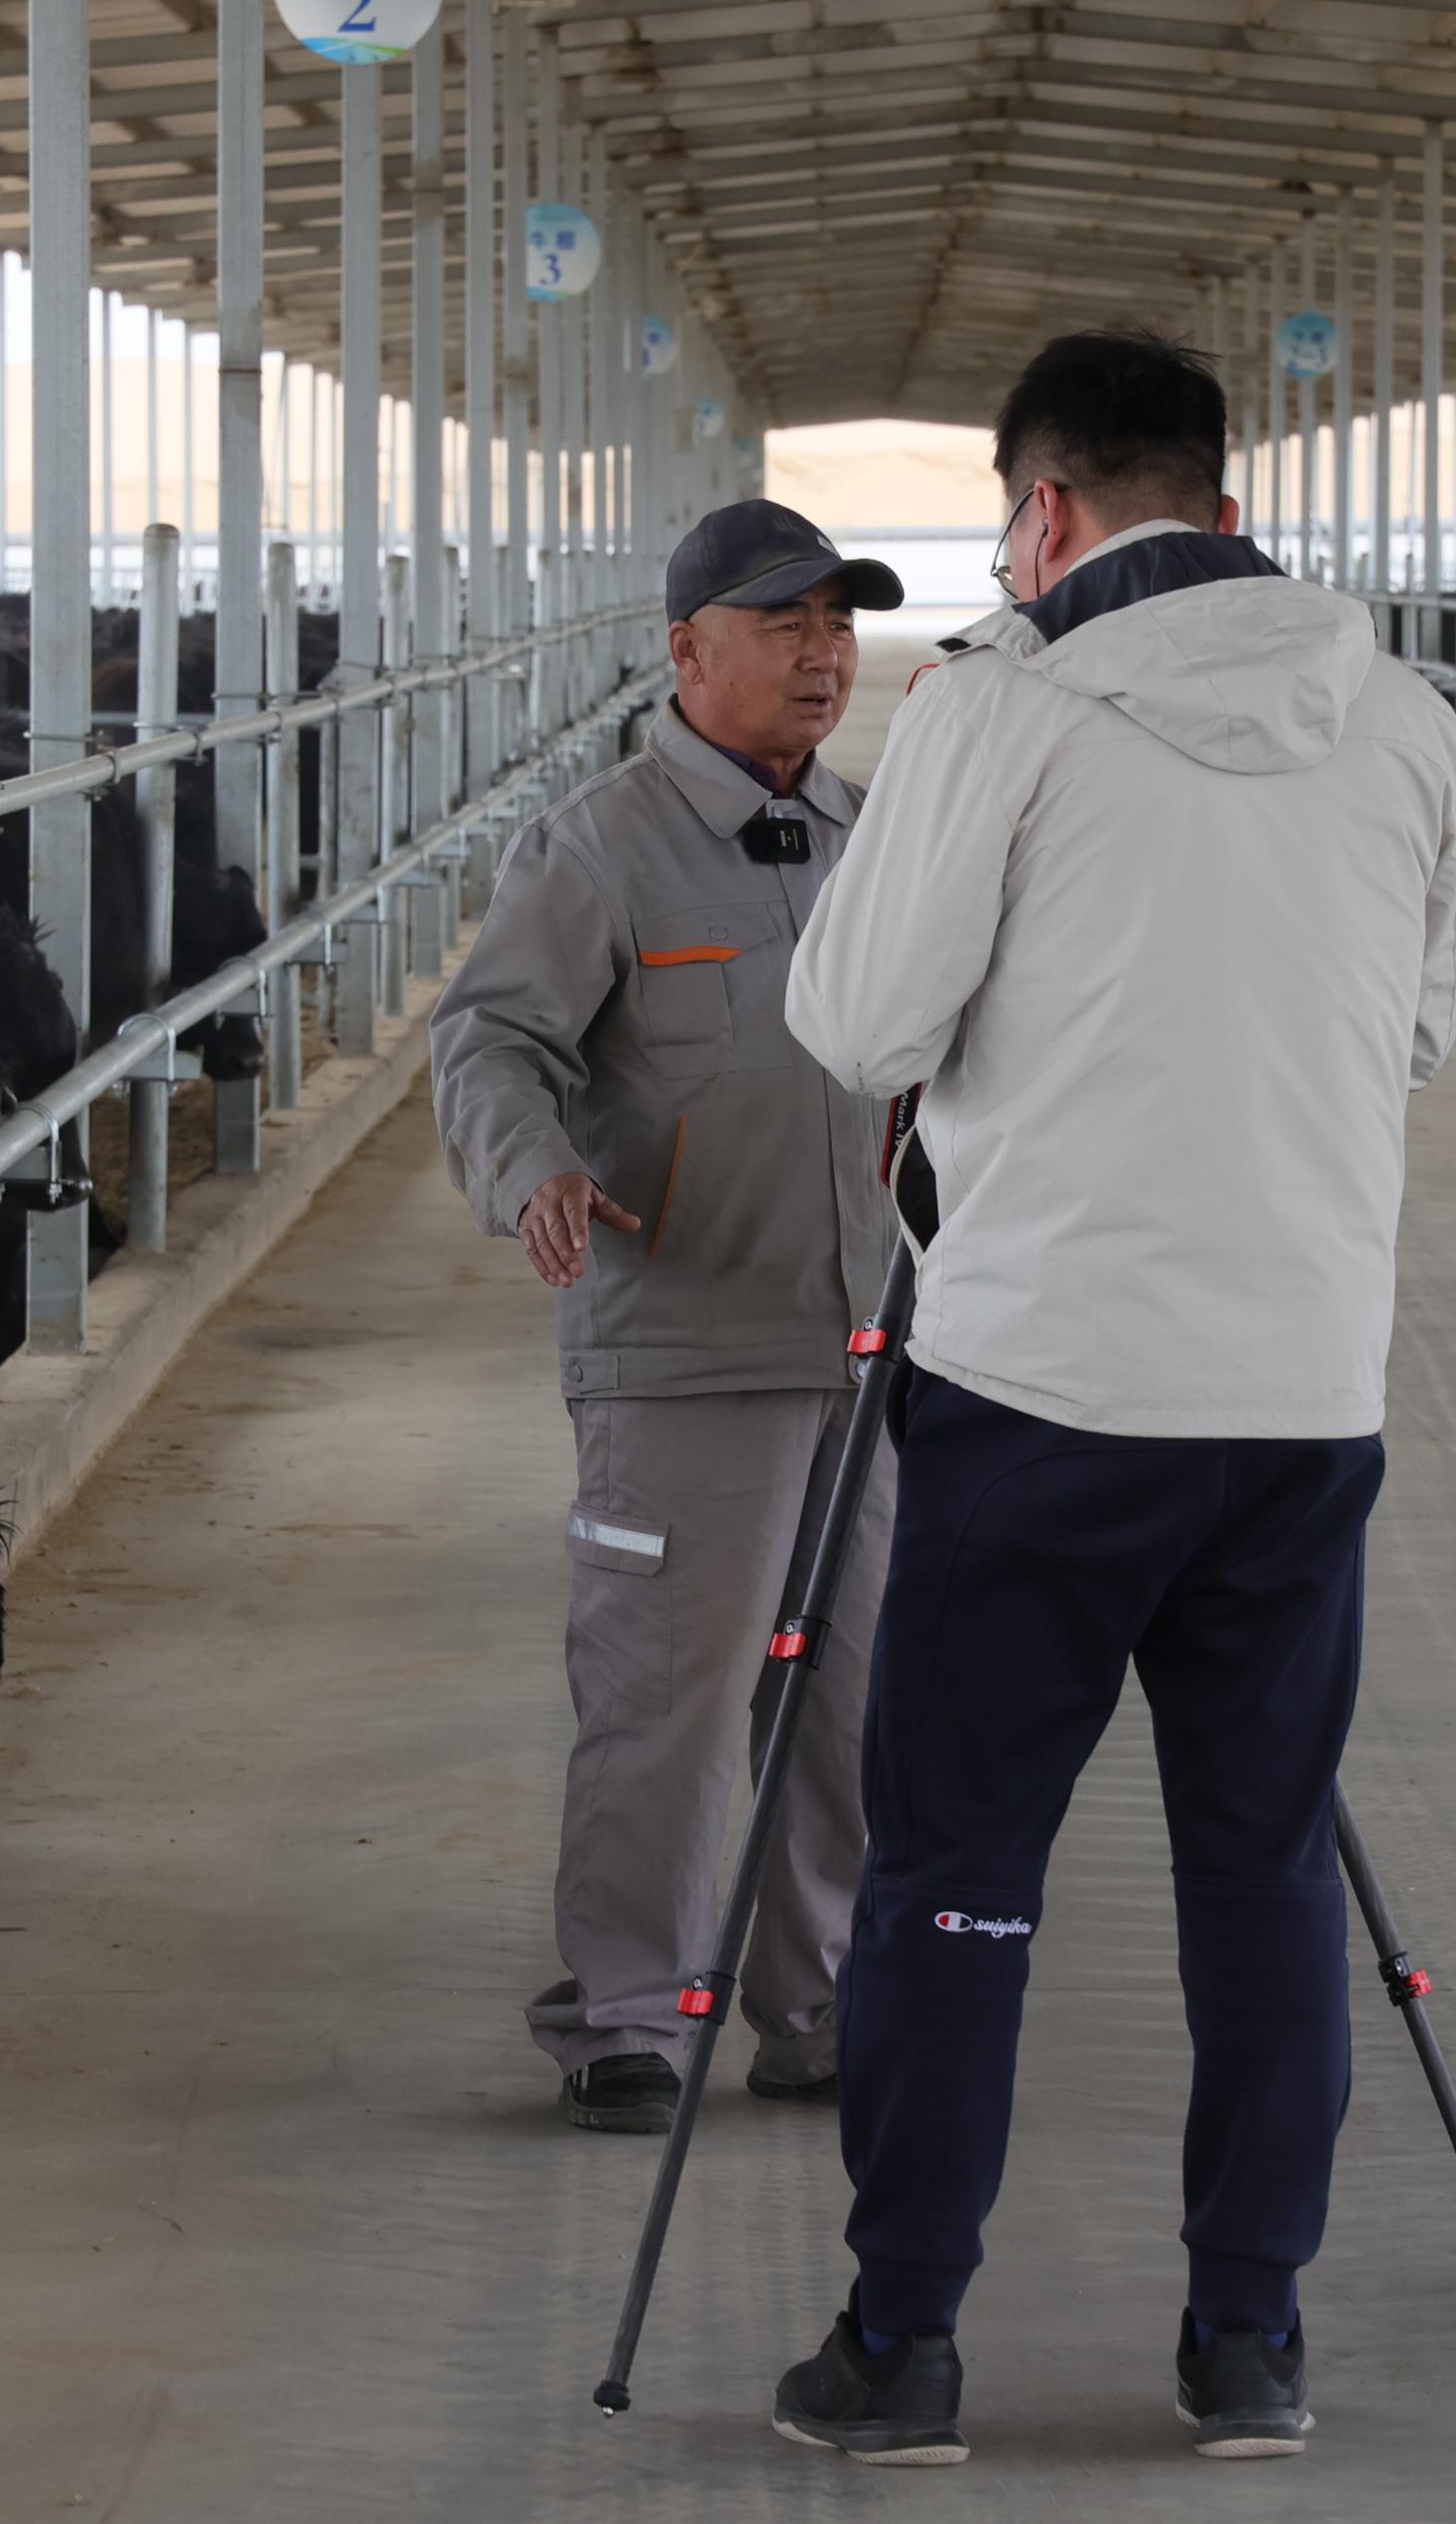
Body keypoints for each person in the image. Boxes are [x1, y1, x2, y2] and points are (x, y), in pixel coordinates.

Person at [769, 330, 1456, 2463]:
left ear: (1049, 515)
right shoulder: (1416, 727)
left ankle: (905, 2344)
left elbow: (858, 1010)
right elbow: (1428, 1027)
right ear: (1228, 497)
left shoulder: (1000, 709)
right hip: (1298, 1389)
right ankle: (1249, 2337)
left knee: (960, 1867)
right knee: (1260, 1867)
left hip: (1045, 1384)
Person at [428, 498, 908, 2134]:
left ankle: (817, 2002)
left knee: (847, 1708)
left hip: (863, 1343)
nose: (821, 652)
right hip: (687, 1347)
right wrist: (530, 1172)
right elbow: (491, 1043)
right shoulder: (597, 844)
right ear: (686, 649)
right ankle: (631, 2010)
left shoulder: (867, 835)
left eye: (838, 623)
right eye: (784, 624)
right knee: (672, 1701)